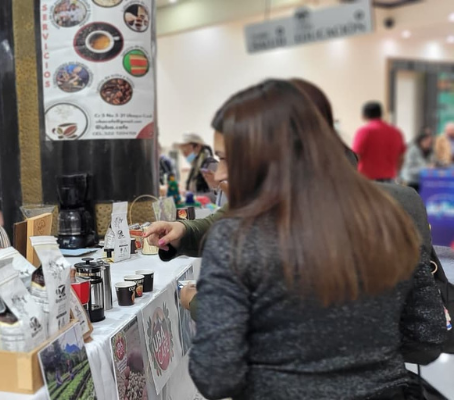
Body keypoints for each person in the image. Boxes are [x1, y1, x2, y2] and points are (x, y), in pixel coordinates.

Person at [186, 80, 445, 400]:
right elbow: (429, 338)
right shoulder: (393, 218)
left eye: (227, 158)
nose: (220, 174)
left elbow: (216, 376)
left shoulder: (236, 237)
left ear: (267, 157)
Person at [352, 101, 406, 182]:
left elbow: (355, 156)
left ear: (363, 115)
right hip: (390, 180)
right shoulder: (396, 132)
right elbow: (401, 158)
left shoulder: (364, 131)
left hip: (367, 180)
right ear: (381, 114)